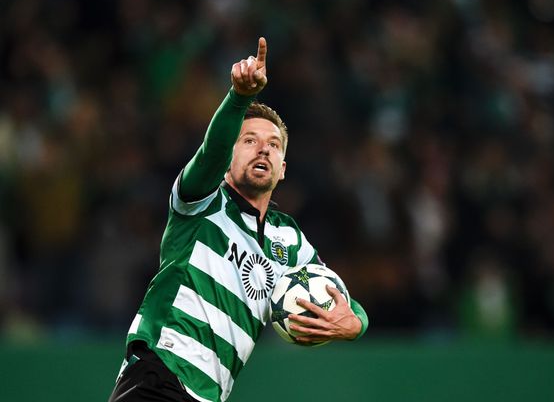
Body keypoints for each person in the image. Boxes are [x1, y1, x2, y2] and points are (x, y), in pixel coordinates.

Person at [108, 37, 369, 402]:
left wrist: (353, 324)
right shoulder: (200, 201)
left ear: (282, 170)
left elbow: (342, 298)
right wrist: (238, 97)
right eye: (249, 140)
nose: (263, 147)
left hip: (208, 394)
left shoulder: (288, 239)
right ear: (228, 158)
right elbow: (211, 151)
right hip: (158, 374)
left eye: (274, 145)